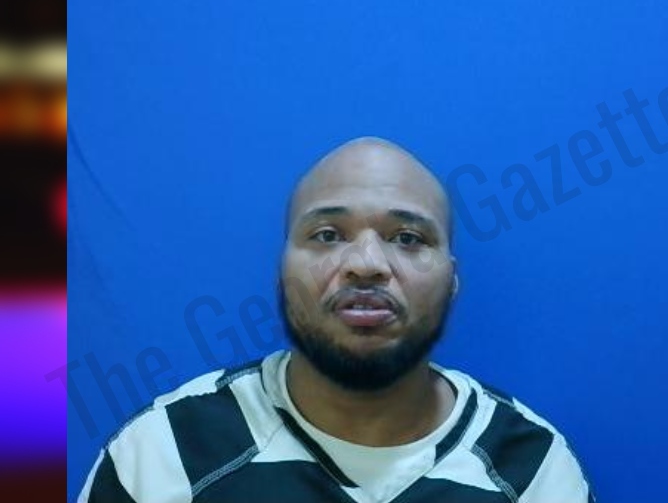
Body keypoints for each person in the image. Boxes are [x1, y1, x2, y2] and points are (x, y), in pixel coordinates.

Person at [79, 137, 595, 503]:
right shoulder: (165, 452)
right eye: (327, 235)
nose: (366, 264)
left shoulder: (531, 472)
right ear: (281, 274)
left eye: (408, 238)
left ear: (452, 280)